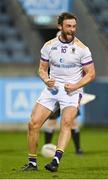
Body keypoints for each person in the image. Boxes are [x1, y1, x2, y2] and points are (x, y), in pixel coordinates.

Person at [22, 12, 95, 172]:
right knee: (33, 124)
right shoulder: (49, 46)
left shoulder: (82, 49)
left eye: (74, 26)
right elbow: (42, 69)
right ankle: (32, 163)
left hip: (72, 90)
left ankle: (56, 160)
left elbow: (90, 74)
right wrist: (46, 79)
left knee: (67, 123)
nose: (72, 29)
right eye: (68, 26)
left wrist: (76, 86)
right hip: (52, 89)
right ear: (60, 27)